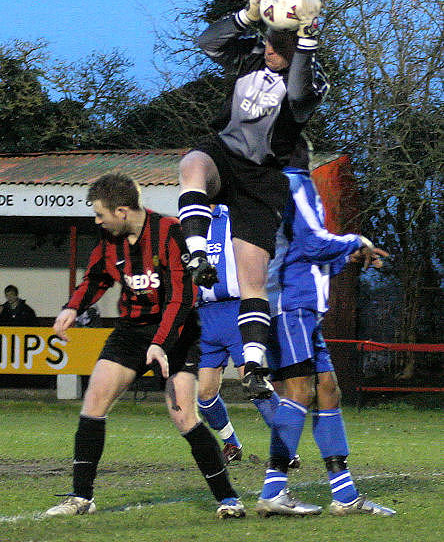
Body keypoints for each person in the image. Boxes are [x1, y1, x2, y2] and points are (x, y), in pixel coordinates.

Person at [45, 173, 245, 519]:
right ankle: (80, 498)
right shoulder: (110, 241)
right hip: (131, 331)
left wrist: (160, 344)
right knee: (94, 401)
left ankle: (228, 499)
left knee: (183, 415)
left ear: (121, 211)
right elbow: (96, 278)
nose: (97, 221)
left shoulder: (169, 232)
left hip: (178, 333)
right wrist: (72, 307)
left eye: (100, 214)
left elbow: (182, 299)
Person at [178, 0, 329, 401]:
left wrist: (306, 40)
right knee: (192, 164)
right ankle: (196, 253)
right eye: (266, 43)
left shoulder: (310, 82)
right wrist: (246, 13)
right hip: (224, 156)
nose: (268, 51)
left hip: (262, 178)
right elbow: (208, 42)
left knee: (252, 279)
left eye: (277, 48)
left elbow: (299, 91)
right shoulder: (249, 59)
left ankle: (256, 365)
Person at [255, 157, 396, 517]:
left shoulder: (294, 184)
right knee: (299, 392)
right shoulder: (294, 182)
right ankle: (273, 491)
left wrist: (349, 257)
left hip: (303, 308)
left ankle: (345, 496)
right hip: (290, 306)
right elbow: (313, 244)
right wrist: (356, 240)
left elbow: (305, 255)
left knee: (329, 391)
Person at [197, 203, 285, 464]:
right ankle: (231, 443)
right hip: (205, 317)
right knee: (204, 395)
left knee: (254, 383)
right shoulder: (190, 226)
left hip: (238, 310)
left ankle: (286, 448)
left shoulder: (236, 216)